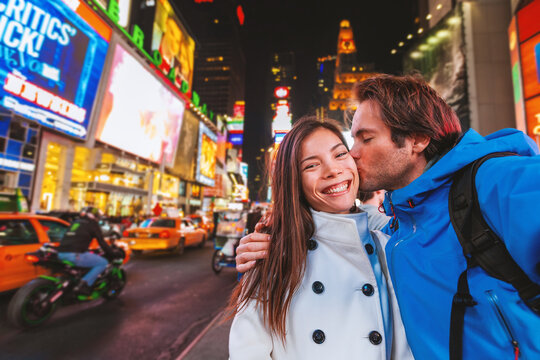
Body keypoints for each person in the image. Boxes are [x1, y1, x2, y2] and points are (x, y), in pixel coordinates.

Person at [236, 74, 540, 359]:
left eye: (363, 140)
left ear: (418, 139)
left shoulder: (493, 182)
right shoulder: (399, 226)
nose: (351, 156)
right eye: (351, 143)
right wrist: (274, 235)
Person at [228, 117, 412, 359]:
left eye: (339, 155)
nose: (333, 170)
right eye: (311, 166)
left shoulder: (390, 249)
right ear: (294, 181)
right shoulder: (272, 256)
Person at [57, 206, 117, 295]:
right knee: (102, 262)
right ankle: (84, 284)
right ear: (94, 216)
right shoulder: (92, 224)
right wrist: (112, 253)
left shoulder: (75, 223)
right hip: (75, 254)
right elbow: (102, 242)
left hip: (61, 253)